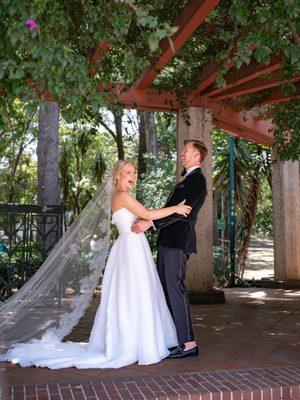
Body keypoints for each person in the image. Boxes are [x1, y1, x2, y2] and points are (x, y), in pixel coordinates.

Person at [0, 160, 191, 369]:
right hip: (130, 249)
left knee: (137, 293)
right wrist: (176, 208)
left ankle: (139, 341)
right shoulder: (122, 195)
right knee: (134, 293)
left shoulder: (122, 195)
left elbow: (141, 219)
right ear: (117, 175)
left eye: (134, 173)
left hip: (133, 247)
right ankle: (134, 343)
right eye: (128, 172)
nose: (133, 176)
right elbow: (146, 215)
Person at [132, 139, 208, 359]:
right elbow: (171, 210)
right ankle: (176, 340)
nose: (182, 153)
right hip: (168, 240)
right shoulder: (186, 178)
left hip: (178, 241)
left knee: (175, 290)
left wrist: (151, 223)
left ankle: (188, 343)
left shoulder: (197, 181)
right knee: (166, 289)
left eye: (186, 150)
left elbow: (182, 212)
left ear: (197, 156)